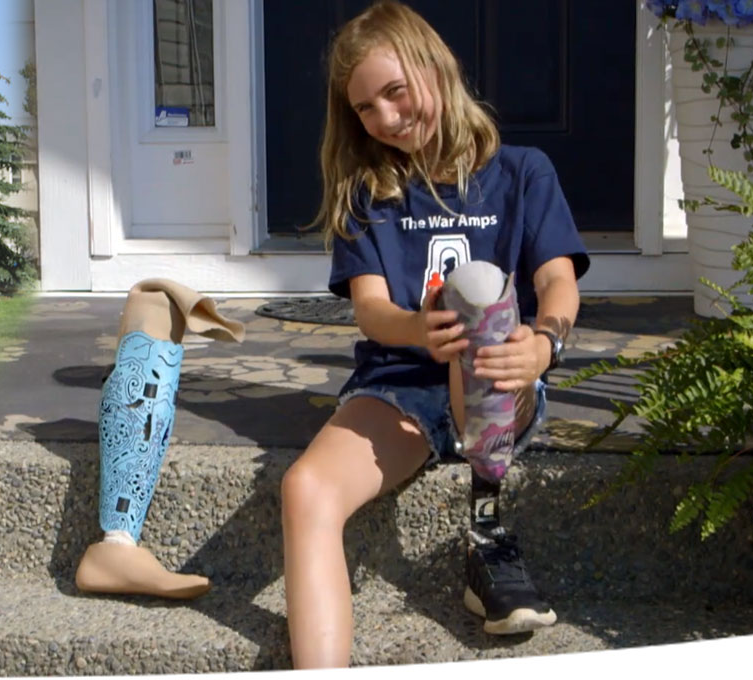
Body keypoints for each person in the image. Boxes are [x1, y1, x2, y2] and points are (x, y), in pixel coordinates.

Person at [277, 2, 583, 667]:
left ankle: (485, 526)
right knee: (305, 488)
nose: (384, 118)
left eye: (394, 91)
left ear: (435, 66)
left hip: (503, 380)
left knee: (482, 302)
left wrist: (544, 346)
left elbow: (559, 284)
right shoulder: (367, 191)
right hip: (399, 393)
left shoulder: (524, 173)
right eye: (364, 109)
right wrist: (421, 329)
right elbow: (372, 312)